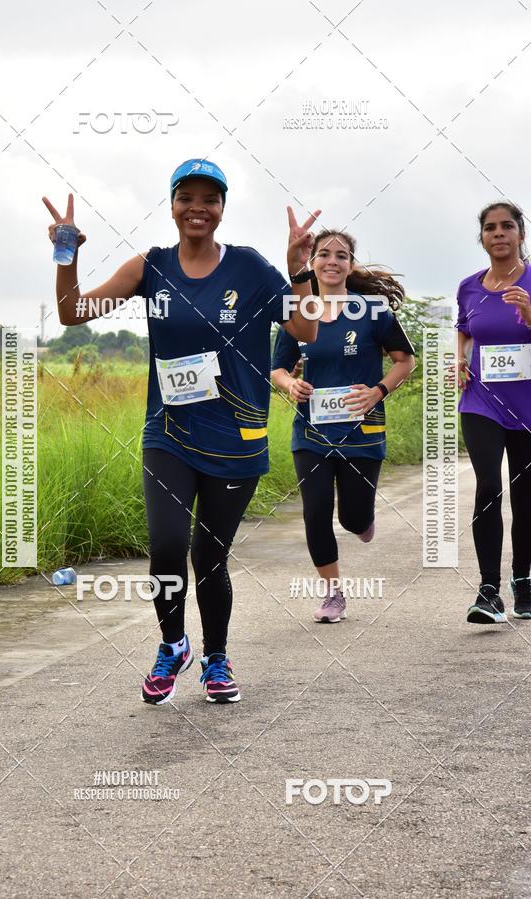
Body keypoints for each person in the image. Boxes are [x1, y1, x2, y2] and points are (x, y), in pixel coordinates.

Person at [43, 159, 321, 704]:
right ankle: (173, 645)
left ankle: (216, 657)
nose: (198, 207)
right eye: (186, 197)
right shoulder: (150, 266)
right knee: (167, 548)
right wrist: (65, 252)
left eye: (209, 199)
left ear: (222, 209)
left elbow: (305, 327)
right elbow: (74, 312)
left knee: (209, 558)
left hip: (237, 439)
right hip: (167, 433)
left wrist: (298, 268)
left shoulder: (249, 268)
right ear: (171, 205)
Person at [271, 229, 415, 622]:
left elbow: (405, 361)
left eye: (341, 255)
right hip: (311, 433)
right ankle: (333, 594)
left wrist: (378, 391)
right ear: (312, 262)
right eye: (323, 254)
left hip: (362, 433)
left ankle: (362, 519)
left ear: (351, 265)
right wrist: (290, 383)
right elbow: (277, 369)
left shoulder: (373, 311)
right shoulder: (297, 312)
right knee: (315, 511)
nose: (332, 261)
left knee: (351, 518)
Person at [457, 201, 531, 624]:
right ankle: (488, 590)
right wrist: (460, 358)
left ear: (520, 233)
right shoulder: (469, 286)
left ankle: (523, 581)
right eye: (490, 227)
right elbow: (465, 329)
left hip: (528, 403)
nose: (498, 233)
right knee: (488, 484)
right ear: (482, 237)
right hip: (482, 400)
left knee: (526, 497)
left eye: (507, 226)